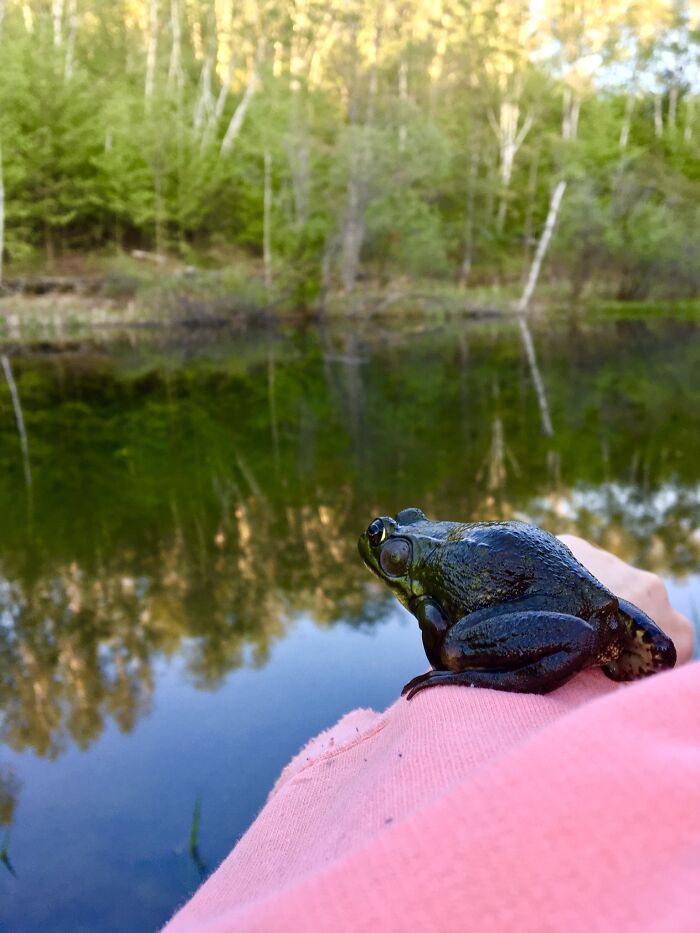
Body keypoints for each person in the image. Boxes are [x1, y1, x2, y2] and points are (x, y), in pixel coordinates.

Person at [165, 536, 698, 932]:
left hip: (568, 614)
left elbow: (443, 646)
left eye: (394, 553)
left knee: (459, 651)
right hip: (591, 605)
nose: (388, 560)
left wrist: (460, 680)